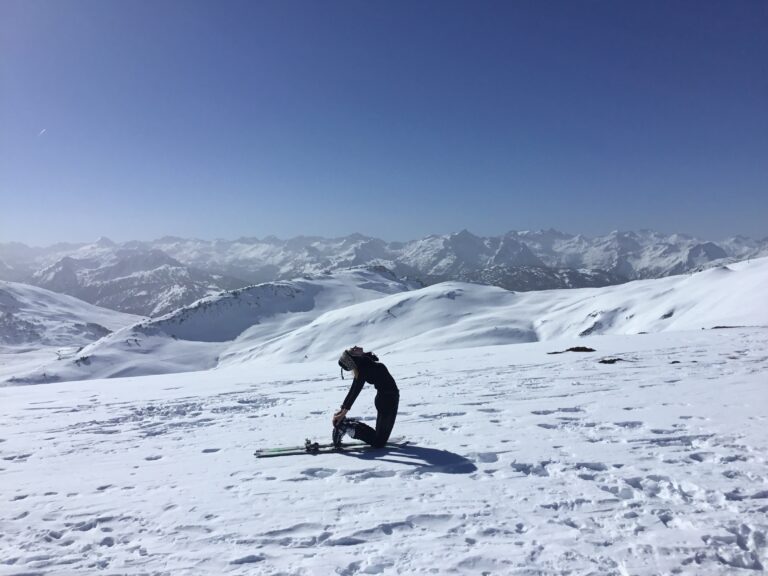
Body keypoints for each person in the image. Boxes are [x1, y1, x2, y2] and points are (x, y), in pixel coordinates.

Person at [333, 346, 399, 448]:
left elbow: (352, 391)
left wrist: (342, 410)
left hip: (386, 399)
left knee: (379, 437)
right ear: (353, 358)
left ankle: (348, 426)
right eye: (352, 350)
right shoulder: (363, 368)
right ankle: (346, 427)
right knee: (379, 442)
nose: (354, 347)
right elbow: (354, 391)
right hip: (388, 401)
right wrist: (343, 412)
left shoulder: (364, 362)